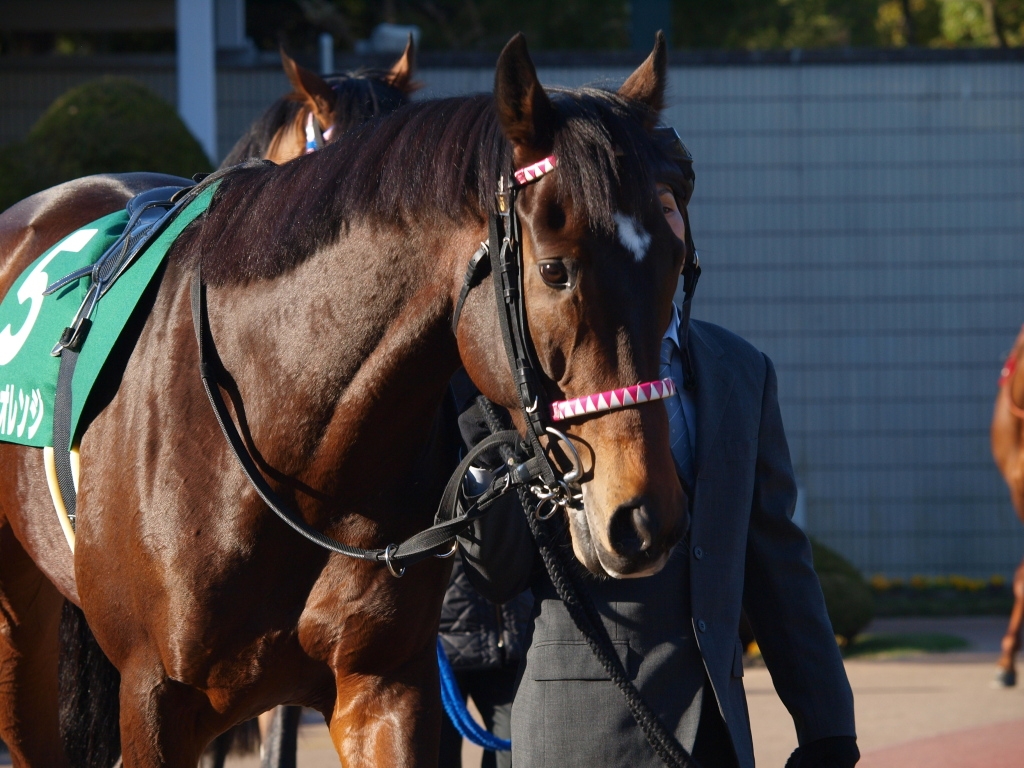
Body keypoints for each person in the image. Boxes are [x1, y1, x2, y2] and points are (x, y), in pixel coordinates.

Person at [454, 127, 860, 768]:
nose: (655, 217)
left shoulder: (742, 370)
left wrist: (828, 727)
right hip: (581, 738)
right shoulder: (530, 376)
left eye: (666, 205)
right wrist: (495, 434)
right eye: (637, 207)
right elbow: (499, 574)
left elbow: (777, 559)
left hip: (716, 737)